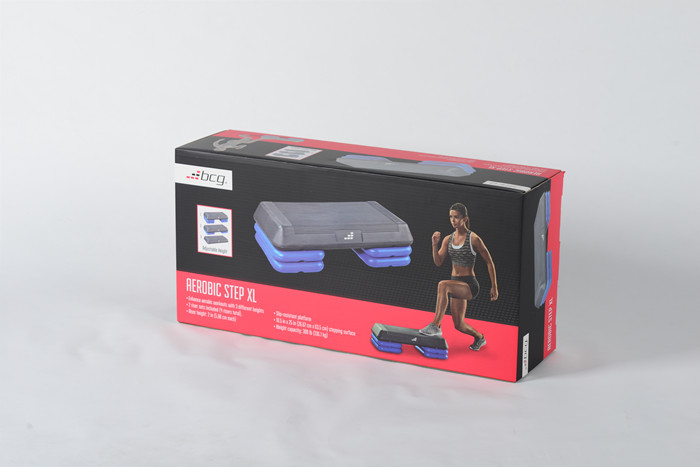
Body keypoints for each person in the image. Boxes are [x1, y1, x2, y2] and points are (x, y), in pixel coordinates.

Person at [419, 203, 498, 351]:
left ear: (465, 219)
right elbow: (438, 262)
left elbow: (489, 262)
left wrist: (494, 287)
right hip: (455, 284)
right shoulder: (448, 239)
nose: (453, 220)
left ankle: (435, 325)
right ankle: (480, 338)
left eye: (456, 217)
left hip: (469, 285)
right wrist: (434, 245)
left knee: (443, 285)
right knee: (459, 325)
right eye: (451, 217)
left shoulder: (473, 239)